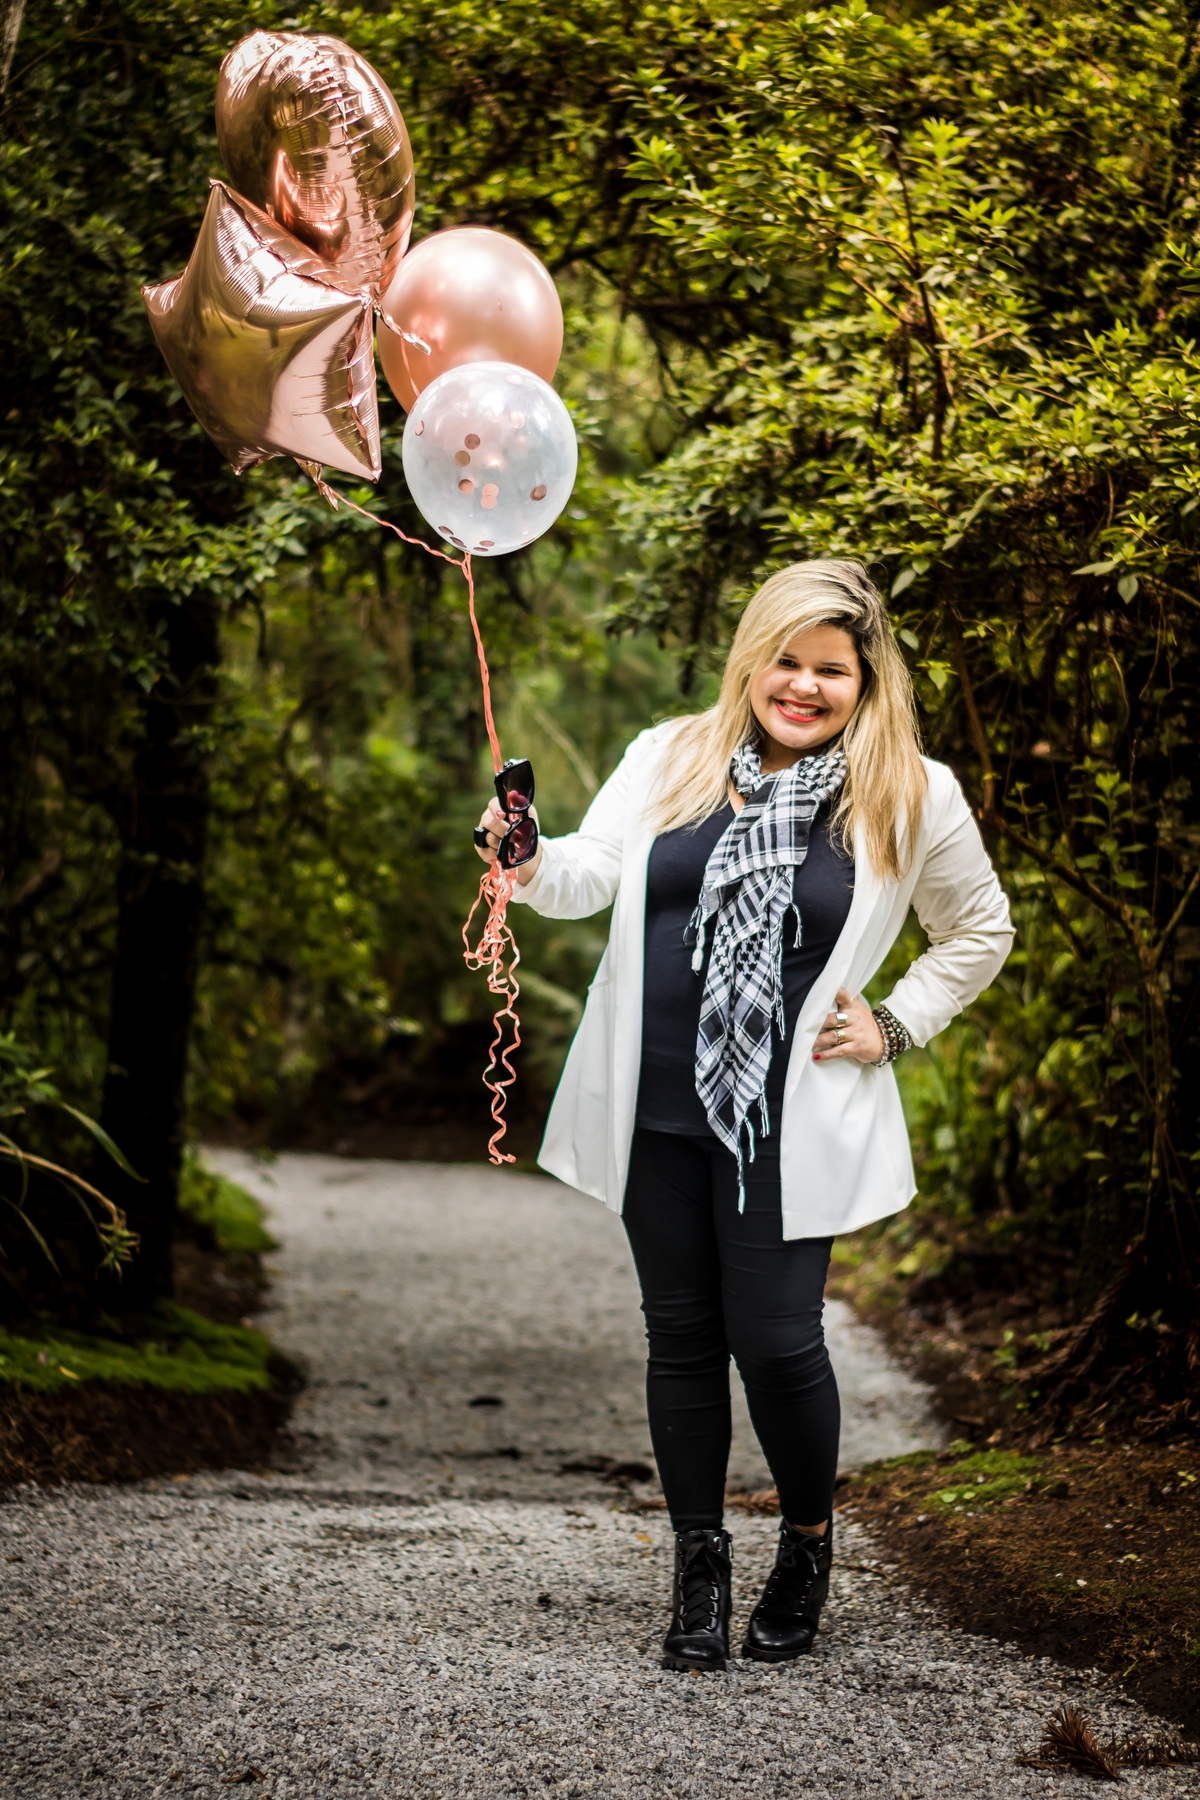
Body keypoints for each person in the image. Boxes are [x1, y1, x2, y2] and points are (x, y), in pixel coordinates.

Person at [474, 560, 1013, 1672]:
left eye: (832, 671)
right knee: (679, 1338)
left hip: (788, 1121)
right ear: (751, 660)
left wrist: (896, 1023)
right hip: (655, 1106)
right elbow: (590, 875)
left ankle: (806, 1547)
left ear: (867, 683)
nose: (804, 687)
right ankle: (698, 1565)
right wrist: (525, 855)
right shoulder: (670, 754)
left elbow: (979, 930)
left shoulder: (911, 791)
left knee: (776, 1341)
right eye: (787, 661)